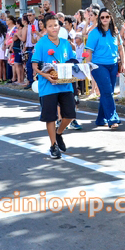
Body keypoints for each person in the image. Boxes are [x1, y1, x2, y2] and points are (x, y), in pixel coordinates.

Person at [32, 14, 78, 159]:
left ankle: (59, 133)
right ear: (45, 28)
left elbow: (71, 61)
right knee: (50, 117)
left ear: (60, 26)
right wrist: (45, 76)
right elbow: (35, 65)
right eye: (50, 26)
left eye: (56, 25)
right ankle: (53, 145)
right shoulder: (41, 44)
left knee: (70, 115)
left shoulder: (65, 43)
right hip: (48, 86)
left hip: (65, 85)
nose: (53, 28)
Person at [84, 8, 125, 129]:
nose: (105, 19)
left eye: (107, 16)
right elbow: (89, 51)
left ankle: (100, 119)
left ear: (110, 18)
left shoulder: (115, 32)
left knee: (107, 92)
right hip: (98, 66)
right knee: (107, 92)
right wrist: (89, 67)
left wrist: (123, 63)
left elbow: (121, 49)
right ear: (99, 19)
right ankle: (113, 119)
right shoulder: (94, 33)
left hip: (113, 65)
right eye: (102, 17)